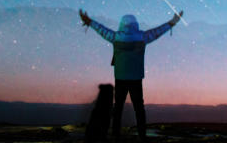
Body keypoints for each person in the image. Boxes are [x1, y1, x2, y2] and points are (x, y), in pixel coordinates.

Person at [79, 9, 184, 143]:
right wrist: (171, 23)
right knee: (139, 108)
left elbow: (102, 30)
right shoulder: (142, 37)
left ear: (122, 24)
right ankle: (142, 136)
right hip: (136, 78)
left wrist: (89, 21)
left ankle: (115, 136)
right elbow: (157, 32)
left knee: (118, 108)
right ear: (135, 24)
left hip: (120, 78)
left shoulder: (116, 37)